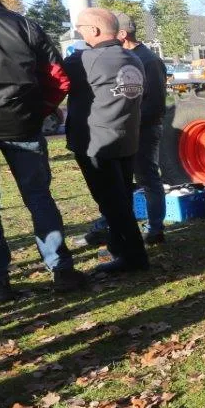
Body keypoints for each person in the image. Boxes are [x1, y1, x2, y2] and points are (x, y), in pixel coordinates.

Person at [0, 0, 87, 303]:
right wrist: (39, 110)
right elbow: (58, 77)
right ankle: (62, 269)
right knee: (39, 196)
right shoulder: (22, 24)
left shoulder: (23, 24)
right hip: (22, 121)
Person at [64, 7, 148, 275]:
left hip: (97, 143)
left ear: (94, 31)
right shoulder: (134, 59)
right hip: (126, 139)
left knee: (112, 204)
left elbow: (54, 78)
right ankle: (119, 246)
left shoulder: (85, 61)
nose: (78, 32)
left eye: (80, 27)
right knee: (120, 198)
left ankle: (132, 257)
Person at [83, 14, 167, 246]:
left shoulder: (148, 60)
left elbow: (156, 103)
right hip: (124, 129)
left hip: (143, 130)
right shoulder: (126, 57)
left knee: (147, 178)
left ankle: (155, 229)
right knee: (119, 182)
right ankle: (114, 227)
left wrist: (132, 123)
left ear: (121, 34)